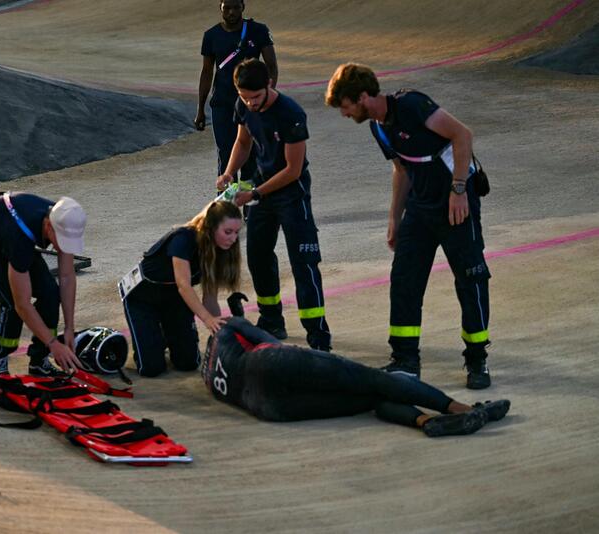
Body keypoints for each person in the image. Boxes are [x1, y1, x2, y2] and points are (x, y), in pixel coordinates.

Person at [325, 63, 492, 389]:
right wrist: (394, 218)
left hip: (455, 204)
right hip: (420, 207)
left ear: (362, 96)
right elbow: (401, 171)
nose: (344, 114)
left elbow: (463, 135)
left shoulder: (413, 105)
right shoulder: (378, 126)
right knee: (404, 280)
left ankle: (477, 360)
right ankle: (405, 360)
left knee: (470, 280)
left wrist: (458, 190)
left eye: (345, 107)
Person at [203, 317, 510, 437]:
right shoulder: (227, 327)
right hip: (270, 363)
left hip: (267, 407)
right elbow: (271, 340)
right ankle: (463, 409)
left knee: (369, 400)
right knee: (374, 380)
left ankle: (426, 423)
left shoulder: (208, 378)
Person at [216, 58, 332, 351]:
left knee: (303, 264)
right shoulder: (243, 105)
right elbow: (243, 142)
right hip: (260, 189)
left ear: (269, 84)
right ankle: (271, 320)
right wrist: (230, 171)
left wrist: (255, 194)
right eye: (244, 97)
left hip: (291, 196)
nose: (250, 103)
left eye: (255, 97)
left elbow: (293, 170)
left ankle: (318, 336)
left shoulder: (291, 114)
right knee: (257, 256)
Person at [0, 193, 86, 377]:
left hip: (8, 234)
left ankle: (39, 361)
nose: (65, 247)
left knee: (50, 293)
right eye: (63, 241)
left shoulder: (64, 218)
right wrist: (53, 343)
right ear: (49, 227)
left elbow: (66, 277)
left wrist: (68, 328)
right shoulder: (20, 235)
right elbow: (23, 304)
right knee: (11, 303)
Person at [120, 201, 243, 377]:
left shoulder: (221, 249)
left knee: (189, 362)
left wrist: (218, 329)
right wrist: (207, 319)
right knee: (151, 368)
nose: (233, 238)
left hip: (174, 299)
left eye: (236, 232)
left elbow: (210, 298)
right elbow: (184, 285)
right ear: (211, 228)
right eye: (228, 232)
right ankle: (156, 333)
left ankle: (168, 332)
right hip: (143, 298)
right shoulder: (183, 238)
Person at [195, 0, 277, 190]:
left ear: (243, 7)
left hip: (250, 103)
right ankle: (226, 204)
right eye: (227, 8)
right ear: (220, 8)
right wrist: (200, 108)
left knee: (250, 155)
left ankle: (250, 205)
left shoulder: (258, 30)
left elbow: (271, 66)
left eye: (236, 8)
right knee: (225, 153)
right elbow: (207, 72)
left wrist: (268, 96)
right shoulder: (211, 36)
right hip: (222, 104)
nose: (231, 12)